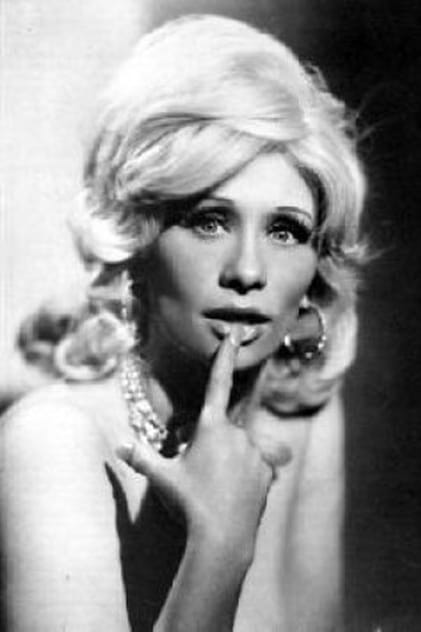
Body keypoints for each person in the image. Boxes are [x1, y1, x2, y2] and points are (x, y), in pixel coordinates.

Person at [0, 14, 367, 632]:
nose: (247, 270)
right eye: (209, 221)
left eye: (285, 231)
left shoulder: (299, 414)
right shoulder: (53, 443)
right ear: (133, 240)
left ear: (318, 267)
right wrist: (220, 548)